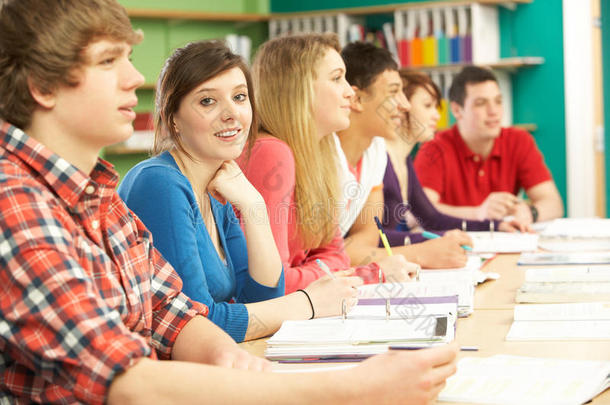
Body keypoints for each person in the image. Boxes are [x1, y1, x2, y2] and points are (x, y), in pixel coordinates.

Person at [0, 1, 458, 403]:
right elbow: (124, 380)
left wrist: (229, 358)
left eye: (240, 97)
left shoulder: (99, 191)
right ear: (42, 86)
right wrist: (350, 389)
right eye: (108, 62)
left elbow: (173, 312)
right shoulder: (15, 202)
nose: (135, 78)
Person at [119, 40, 362, 343]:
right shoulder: (159, 183)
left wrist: (254, 207)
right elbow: (198, 324)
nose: (232, 113)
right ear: (173, 119)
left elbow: (260, 296)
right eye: (208, 101)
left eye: (239, 97)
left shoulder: (217, 185)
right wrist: (308, 304)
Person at [238, 34, 417, 291]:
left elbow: (336, 255)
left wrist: (323, 272)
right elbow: (272, 284)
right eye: (336, 78)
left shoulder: (319, 153)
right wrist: (364, 274)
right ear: (297, 88)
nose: (348, 92)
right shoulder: (271, 152)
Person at [336, 42, 472, 269]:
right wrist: (421, 251)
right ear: (357, 99)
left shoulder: (375, 151)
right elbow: (339, 252)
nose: (405, 105)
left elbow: (361, 244)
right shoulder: (327, 156)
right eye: (393, 93)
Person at [379, 69, 526, 247]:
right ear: (401, 107)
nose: (437, 116)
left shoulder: (404, 161)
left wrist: (496, 225)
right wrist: (434, 241)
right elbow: (372, 238)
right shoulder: (380, 161)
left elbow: (432, 219)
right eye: (427, 106)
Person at [414, 66, 564, 224]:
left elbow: (554, 204)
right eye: (481, 103)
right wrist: (478, 213)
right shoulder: (434, 148)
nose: (494, 111)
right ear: (457, 110)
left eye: (498, 101)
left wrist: (530, 212)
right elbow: (418, 212)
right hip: (456, 243)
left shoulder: (519, 141)